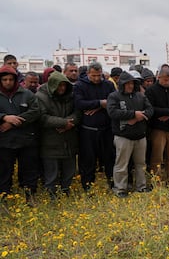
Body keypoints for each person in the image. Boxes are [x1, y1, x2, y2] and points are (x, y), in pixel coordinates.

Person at [107, 71, 154, 197]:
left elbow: (150, 110)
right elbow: (112, 113)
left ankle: (141, 186)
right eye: (127, 84)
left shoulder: (140, 96)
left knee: (141, 164)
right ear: (122, 84)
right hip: (123, 136)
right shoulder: (114, 96)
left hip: (140, 135)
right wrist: (132, 115)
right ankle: (120, 189)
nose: (130, 86)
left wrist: (140, 116)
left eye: (132, 83)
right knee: (121, 164)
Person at [0, 65, 40, 207]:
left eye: (11, 79)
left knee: (29, 171)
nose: (8, 82)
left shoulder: (26, 94)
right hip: (5, 142)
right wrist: (4, 117)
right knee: (4, 172)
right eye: (4, 79)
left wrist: (13, 122)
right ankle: (4, 199)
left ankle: (30, 197)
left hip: (26, 140)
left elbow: (35, 112)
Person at [36, 71, 81, 198]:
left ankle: (65, 194)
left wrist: (69, 123)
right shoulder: (41, 96)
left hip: (69, 140)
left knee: (69, 172)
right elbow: (42, 117)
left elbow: (78, 113)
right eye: (59, 85)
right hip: (50, 142)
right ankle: (52, 198)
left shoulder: (71, 96)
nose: (62, 88)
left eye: (64, 85)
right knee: (52, 174)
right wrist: (62, 123)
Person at [73, 62, 116, 191]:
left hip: (106, 129)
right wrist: (99, 103)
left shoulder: (108, 85)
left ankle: (113, 184)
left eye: (99, 75)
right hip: (88, 130)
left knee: (110, 158)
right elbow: (79, 103)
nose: (97, 79)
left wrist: (96, 107)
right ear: (88, 74)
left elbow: (115, 101)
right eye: (93, 76)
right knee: (88, 160)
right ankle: (88, 187)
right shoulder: (80, 86)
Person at [145, 68, 169, 185]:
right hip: (159, 129)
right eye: (165, 80)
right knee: (157, 157)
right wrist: (167, 112)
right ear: (159, 78)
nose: (167, 82)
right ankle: (155, 181)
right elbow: (150, 108)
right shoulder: (151, 91)